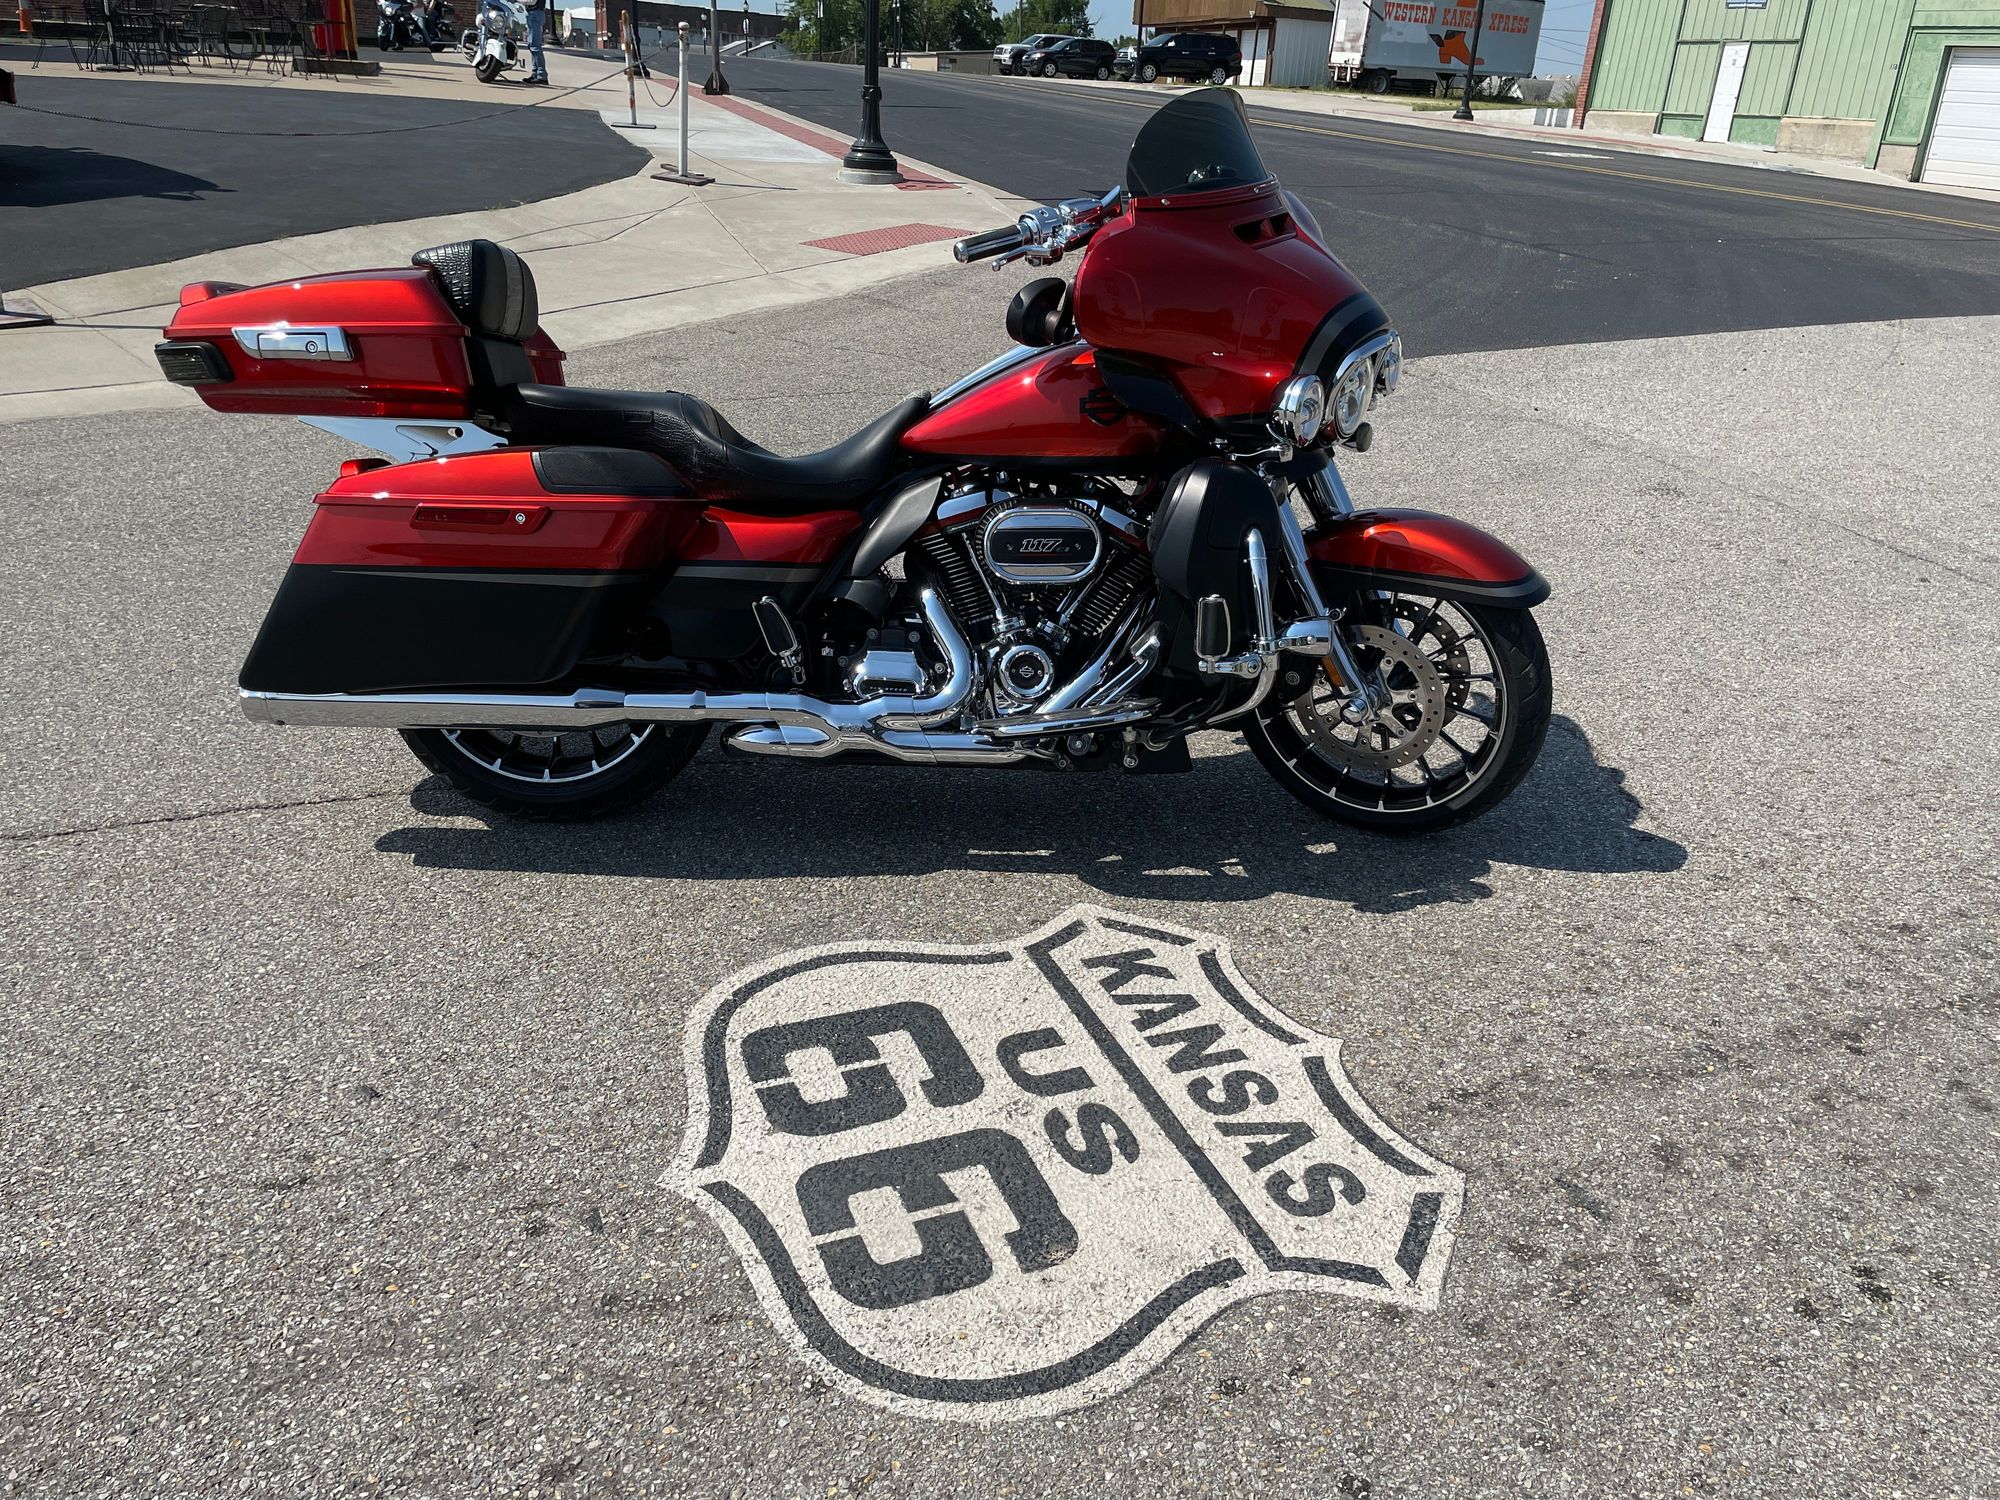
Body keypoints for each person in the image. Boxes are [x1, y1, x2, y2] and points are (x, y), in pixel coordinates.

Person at [521, 0, 549, 84]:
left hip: (535, 14)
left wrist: (516, 0)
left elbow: (532, 1)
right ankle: (536, 73)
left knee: (535, 46)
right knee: (532, 45)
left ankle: (541, 75)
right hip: (535, 13)